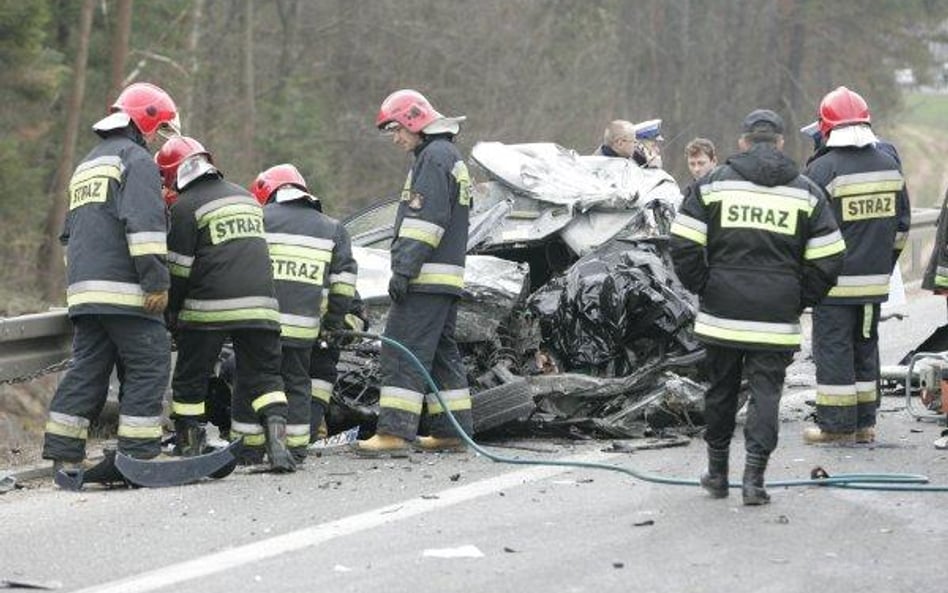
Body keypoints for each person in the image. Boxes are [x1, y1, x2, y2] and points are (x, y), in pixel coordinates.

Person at [669, 109, 845, 505]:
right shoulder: (805, 192)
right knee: (766, 395)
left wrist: (704, 285)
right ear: (782, 143)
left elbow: (682, 242)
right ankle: (754, 481)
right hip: (775, 318)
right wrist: (801, 297)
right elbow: (831, 255)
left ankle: (717, 475)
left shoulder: (712, 185)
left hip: (722, 314)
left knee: (720, 392)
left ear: (743, 143)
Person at [42, 82, 180, 476]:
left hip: (84, 292)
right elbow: (144, 228)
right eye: (160, 128)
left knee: (88, 367)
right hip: (126, 290)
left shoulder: (87, 164)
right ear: (144, 121)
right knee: (150, 361)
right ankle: (138, 453)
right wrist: (156, 282)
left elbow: (70, 233)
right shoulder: (135, 160)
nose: (158, 139)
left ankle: (63, 452)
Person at [157, 136, 295, 472]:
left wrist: (171, 315)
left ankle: (190, 447)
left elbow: (178, 269)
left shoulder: (186, 208)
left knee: (191, 379)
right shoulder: (247, 198)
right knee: (266, 379)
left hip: (208, 310)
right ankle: (279, 449)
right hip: (262, 307)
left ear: (176, 174)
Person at [354, 89, 473, 456]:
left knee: (400, 350)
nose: (395, 138)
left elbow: (424, 222)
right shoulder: (448, 156)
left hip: (426, 278)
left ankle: (393, 433)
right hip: (445, 278)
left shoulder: (433, 159)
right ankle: (452, 430)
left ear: (414, 120)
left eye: (397, 129)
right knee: (439, 354)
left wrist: (404, 270)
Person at [801, 86, 911, 444]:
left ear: (826, 126)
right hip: (874, 284)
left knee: (834, 349)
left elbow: (806, 231)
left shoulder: (822, 169)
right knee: (866, 348)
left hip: (833, 286)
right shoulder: (889, 164)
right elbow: (902, 226)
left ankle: (835, 426)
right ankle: (865, 424)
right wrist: (883, 264)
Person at [249, 163, 357, 463]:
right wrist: (332, 324)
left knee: (256, 380)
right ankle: (295, 448)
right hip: (304, 331)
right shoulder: (333, 228)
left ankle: (250, 448)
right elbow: (344, 287)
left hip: (261, 324)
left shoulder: (258, 219)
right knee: (297, 384)